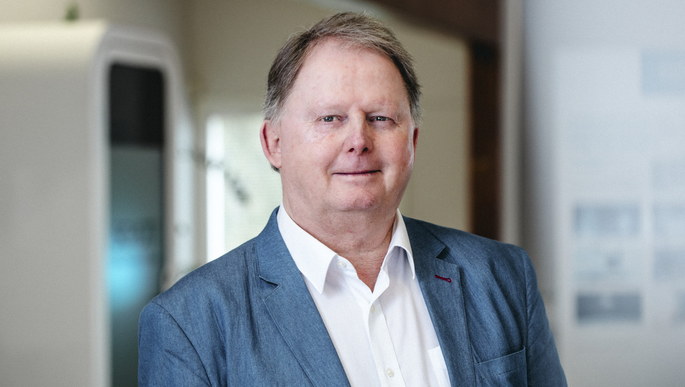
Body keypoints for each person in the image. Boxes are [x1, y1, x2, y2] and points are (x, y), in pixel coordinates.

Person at [138, 12, 566, 386]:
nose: (358, 140)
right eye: (330, 118)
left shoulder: (503, 278)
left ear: (412, 141)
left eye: (380, 118)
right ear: (274, 143)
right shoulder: (189, 324)